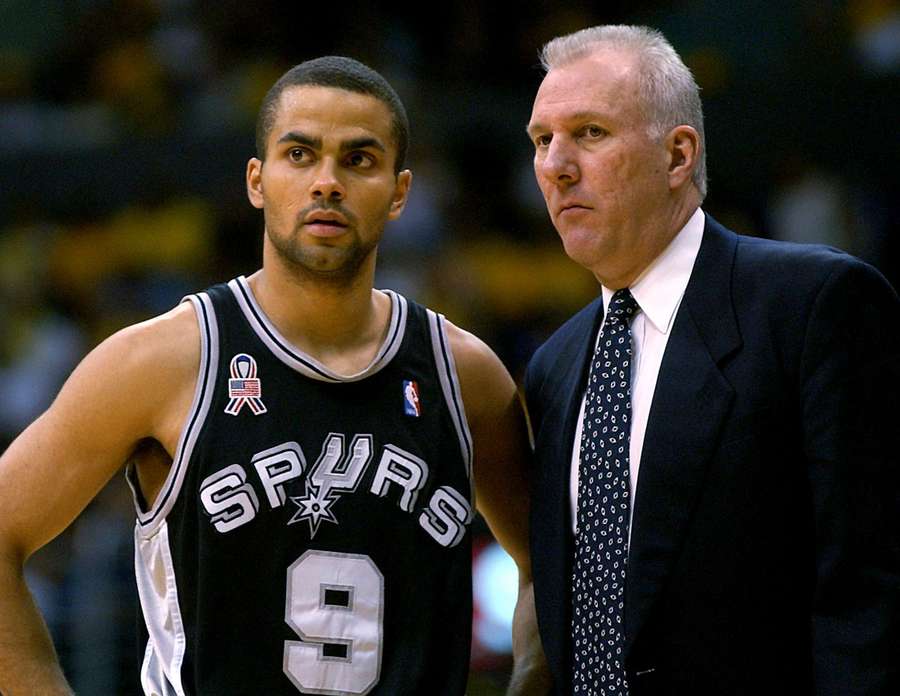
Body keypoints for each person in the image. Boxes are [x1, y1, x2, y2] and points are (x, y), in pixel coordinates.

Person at [0, 56, 543, 695]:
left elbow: (550, 565)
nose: (327, 182)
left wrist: (532, 680)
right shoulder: (161, 362)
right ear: (257, 180)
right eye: (300, 154)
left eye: (359, 160)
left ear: (399, 193)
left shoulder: (467, 377)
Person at [521, 25, 899, 695]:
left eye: (590, 133)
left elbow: (871, 593)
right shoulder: (553, 364)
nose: (555, 164)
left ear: (677, 155)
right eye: (542, 139)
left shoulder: (812, 306)